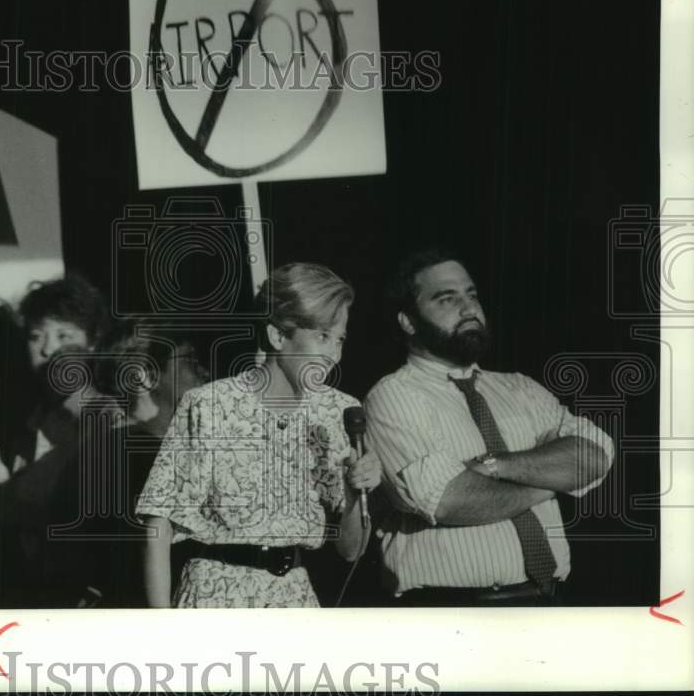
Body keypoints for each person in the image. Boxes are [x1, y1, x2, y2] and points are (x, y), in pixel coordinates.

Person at [364, 249, 615, 606]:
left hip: (548, 601)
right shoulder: (392, 396)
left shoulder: (519, 387)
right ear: (408, 321)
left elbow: (594, 455)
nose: (468, 310)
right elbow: (448, 500)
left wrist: (496, 466)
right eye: (447, 299)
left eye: (472, 295)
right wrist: (552, 482)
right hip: (454, 610)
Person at [137, 263, 382, 608]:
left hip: (293, 601)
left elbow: (351, 549)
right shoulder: (209, 405)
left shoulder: (338, 411)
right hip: (214, 597)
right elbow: (157, 524)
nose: (334, 354)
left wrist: (355, 493)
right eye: (322, 337)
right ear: (277, 336)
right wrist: (161, 628)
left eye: (340, 339)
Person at [46, 318, 209, 607]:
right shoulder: (144, 461)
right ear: (144, 376)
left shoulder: (99, 453)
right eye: (189, 360)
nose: (204, 371)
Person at [0, 274, 111, 605]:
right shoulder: (28, 423)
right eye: (36, 336)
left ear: (93, 343)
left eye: (64, 335)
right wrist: (0, 489)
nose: (48, 349)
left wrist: (9, 492)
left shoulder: (107, 420)